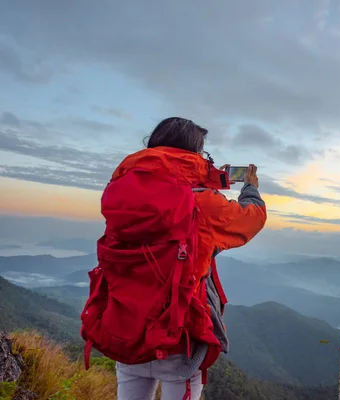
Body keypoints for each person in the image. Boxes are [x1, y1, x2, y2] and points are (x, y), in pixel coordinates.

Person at [80, 117, 267, 400]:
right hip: (179, 336)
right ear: (194, 154)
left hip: (126, 326)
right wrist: (250, 189)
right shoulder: (199, 202)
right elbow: (249, 220)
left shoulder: (120, 194)